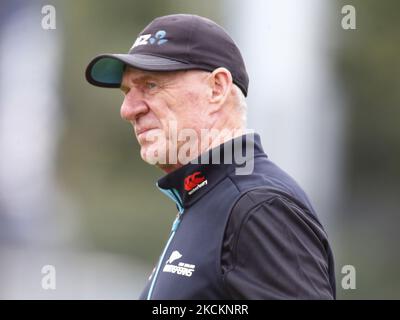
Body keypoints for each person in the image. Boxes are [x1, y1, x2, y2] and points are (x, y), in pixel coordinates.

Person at [85, 14, 336, 300]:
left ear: (216, 88)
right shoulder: (208, 200)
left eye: (150, 86)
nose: (128, 110)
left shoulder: (259, 207)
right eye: (127, 91)